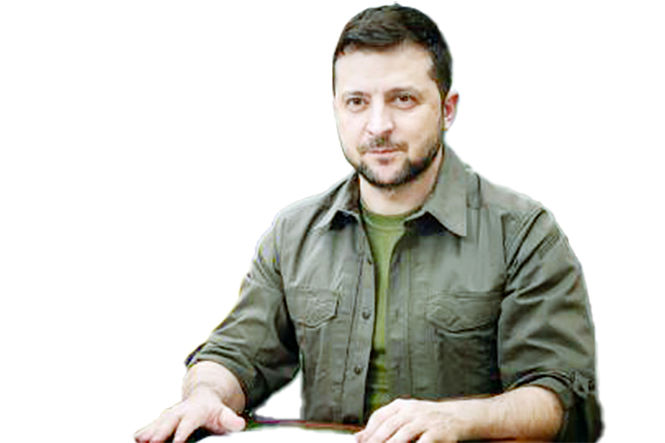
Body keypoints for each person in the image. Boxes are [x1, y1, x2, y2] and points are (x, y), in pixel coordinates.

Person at [135, 4, 602, 442]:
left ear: (448, 109)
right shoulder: (293, 234)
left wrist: (458, 419)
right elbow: (236, 353)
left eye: (403, 99)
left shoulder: (523, 234)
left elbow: (560, 396)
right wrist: (205, 395)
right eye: (357, 101)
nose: (378, 126)